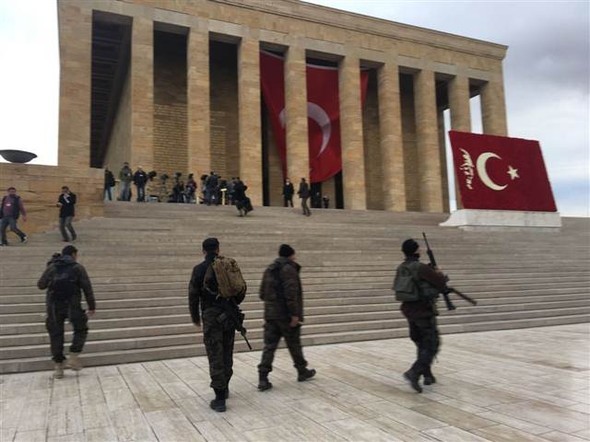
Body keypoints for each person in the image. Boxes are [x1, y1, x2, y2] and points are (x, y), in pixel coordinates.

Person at [188, 238, 246, 412]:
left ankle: (219, 398)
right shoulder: (227, 266)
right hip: (229, 315)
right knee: (227, 352)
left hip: (211, 317)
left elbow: (193, 295)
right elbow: (241, 291)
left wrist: (195, 317)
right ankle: (225, 386)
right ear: (218, 249)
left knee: (215, 354)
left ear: (203, 251)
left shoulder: (198, 270)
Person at [257, 244, 316, 391]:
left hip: (271, 315)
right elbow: (291, 294)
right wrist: (294, 314)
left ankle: (263, 378)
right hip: (285, 316)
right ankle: (302, 370)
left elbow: (262, 294)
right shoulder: (289, 269)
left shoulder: (269, 269)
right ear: (291, 255)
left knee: (269, 347)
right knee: (294, 344)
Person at [394, 238, 446, 393]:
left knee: (421, 343)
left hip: (409, 310)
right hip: (423, 310)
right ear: (416, 251)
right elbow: (441, 283)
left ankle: (427, 374)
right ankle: (415, 372)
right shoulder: (421, 268)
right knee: (431, 344)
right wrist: (438, 273)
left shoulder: (402, 268)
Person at [37, 245, 96, 379]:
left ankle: (58, 367)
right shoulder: (77, 268)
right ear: (74, 254)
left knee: (56, 335)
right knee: (81, 329)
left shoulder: (52, 267)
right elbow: (87, 288)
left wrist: (49, 268)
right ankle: (73, 356)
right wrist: (92, 306)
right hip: (72, 305)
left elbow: (41, 285)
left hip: (53, 306)